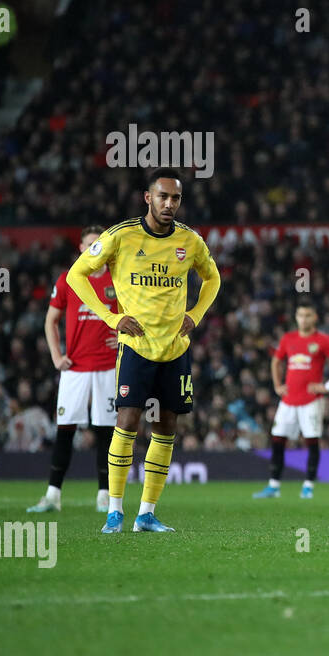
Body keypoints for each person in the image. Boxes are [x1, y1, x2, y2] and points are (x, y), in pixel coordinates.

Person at [67, 169, 221, 533]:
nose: (170, 204)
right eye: (163, 196)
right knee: (127, 423)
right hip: (135, 347)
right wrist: (109, 317)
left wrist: (195, 314)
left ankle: (147, 513)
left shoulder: (190, 241)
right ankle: (115, 511)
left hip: (175, 348)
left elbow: (213, 278)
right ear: (147, 198)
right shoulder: (121, 236)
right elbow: (77, 274)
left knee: (166, 427)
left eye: (176, 198)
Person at [28, 225, 120, 513]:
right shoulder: (68, 279)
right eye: (90, 245)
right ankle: (53, 496)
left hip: (107, 367)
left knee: (106, 431)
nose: (95, 250)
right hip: (76, 368)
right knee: (65, 430)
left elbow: (134, 314)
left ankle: (105, 496)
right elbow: (50, 320)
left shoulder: (116, 279)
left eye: (99, 245)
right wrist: (57, 356)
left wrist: (123, 336)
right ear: (81, 248)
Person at [254, 302, 329, 499]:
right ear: (296, 317)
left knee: (311, 441)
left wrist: (328, 386)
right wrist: (277, 385)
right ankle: (274, 486)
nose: (303, 319)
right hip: (288, 400)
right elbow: (276, 361)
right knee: (278, 439)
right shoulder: (288, 338)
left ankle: (308, 486)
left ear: (315, 318)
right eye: (300, 315)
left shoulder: (323, 340)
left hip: (311, 400)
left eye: (307, 315)